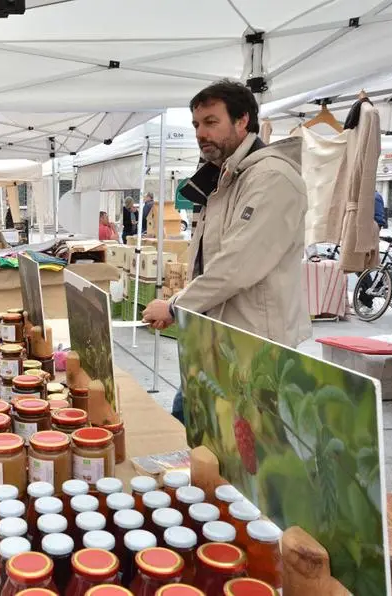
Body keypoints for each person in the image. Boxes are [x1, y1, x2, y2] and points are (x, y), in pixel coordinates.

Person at [142, 80, 310, 422]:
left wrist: (176, 305)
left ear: (242, 120)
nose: (201, 133)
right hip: (216, 341)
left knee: (243, 455)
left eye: (211, 122)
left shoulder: (271, 178)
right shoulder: (225, 177)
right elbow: (210, 260)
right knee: (192, 434)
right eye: (196, 125)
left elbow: (237, 264)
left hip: (254, 350)